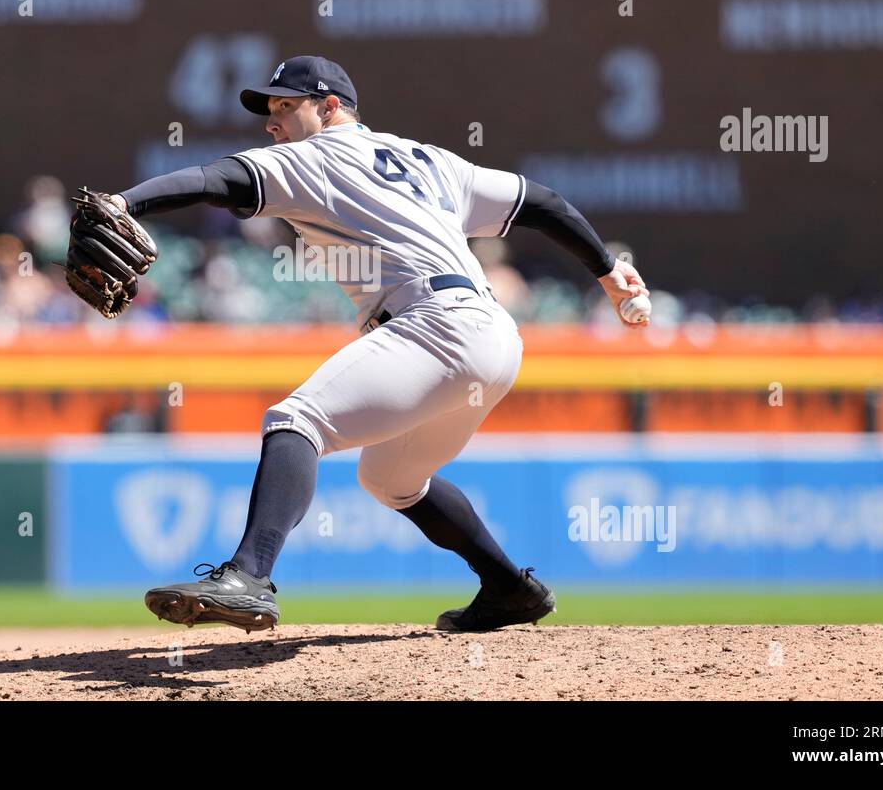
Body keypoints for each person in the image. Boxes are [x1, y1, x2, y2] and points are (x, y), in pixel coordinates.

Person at [110, 55, 649, 633]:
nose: (273, 122)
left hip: (435, 325)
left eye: (286, 106)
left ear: (331, 106)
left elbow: (215, 180)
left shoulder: (314, 156)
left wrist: (125, 203)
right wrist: (606, 269)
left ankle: (248, 575)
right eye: (270, 110)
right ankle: (508, 588)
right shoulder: (430, 160)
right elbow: (542, 203)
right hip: (492, 339)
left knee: (295, 421)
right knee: (390, 480)